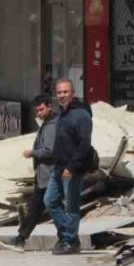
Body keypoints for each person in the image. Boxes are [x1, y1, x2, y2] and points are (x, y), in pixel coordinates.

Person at [0, 95, 56, 252]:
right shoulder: (47, 124)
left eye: (42, 109)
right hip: (44, 176)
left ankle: (68, 239)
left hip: (49, 175)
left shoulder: (51, 126)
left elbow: (49, 151)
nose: (39, 113)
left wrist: (32, 153)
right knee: (36, 209)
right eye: (37, 111)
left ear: (49, 106)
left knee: (51, 209)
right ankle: (20, 239)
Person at [45, 79, 92, 255]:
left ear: (72, 93)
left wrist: (71, 168)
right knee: (50, 201)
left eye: (65, 92)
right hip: (58, 168)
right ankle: (68, 236)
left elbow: (84, 145)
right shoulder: (62, 114)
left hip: (72, 170)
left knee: (71, 207)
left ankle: (70, 241)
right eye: (59, 92)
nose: (62, 95)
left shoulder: (82, 115)